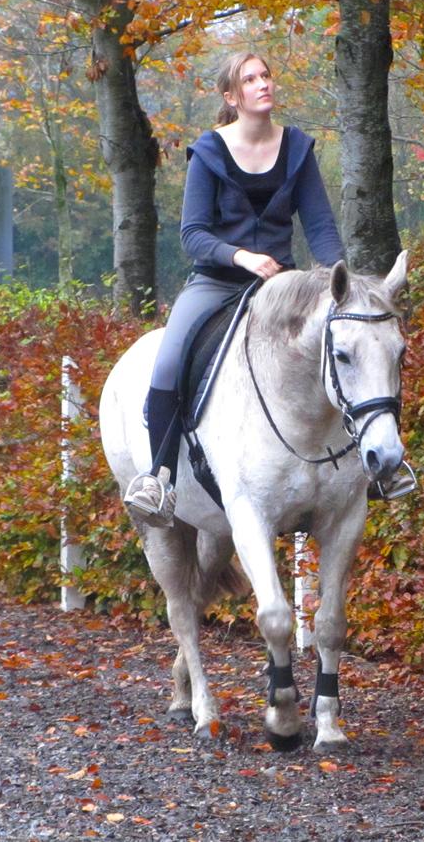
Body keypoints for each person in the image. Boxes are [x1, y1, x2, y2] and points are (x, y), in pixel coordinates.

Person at [123, 51, 347, 522]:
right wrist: (241, 256)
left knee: (350, 341)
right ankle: (158, 478)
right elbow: (193, 235)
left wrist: (336, 280)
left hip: (282, 285)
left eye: (266, 75)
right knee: (169, 360)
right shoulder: (208, 152)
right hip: (216, 281)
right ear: (231, 96)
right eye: (250, 79)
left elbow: (321, 227)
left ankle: (373, 466)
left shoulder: (298, 149)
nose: (263, 83)